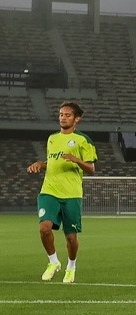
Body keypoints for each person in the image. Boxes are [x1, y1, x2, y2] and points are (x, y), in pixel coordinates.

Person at [27, 101, 98, 284]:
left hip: (72, 194)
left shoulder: (83, 140)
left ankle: (71, 267)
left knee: (71, 237)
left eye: (67, 115)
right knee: (44, 228)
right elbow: (52, 162)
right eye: (61, 114)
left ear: (77, 119)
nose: (63, 117)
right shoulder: (52, 138)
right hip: (49, 190)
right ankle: (53, 262)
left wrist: (76, 160)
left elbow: (91, 168)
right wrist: (40, 165)